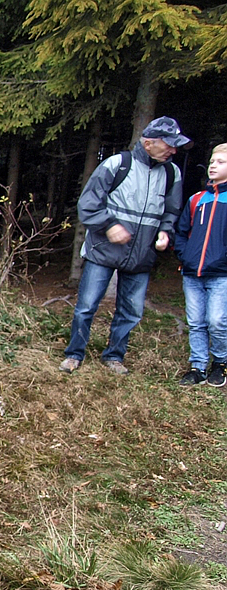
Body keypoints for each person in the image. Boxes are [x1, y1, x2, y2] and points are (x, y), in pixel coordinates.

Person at [60, 116, 189, 375]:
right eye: (169, 145)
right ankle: (74, 354)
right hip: (103, 251)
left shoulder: (172, 173)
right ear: (149, 143)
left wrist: (165, 232)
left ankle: (114, 357)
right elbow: (88, 204)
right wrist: (109, 226)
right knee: (86, 307)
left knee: (131, 312)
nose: (173, 151)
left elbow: (172, 210)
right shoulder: (117, 164)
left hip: (141, 255)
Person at [175, 143, 227, 387]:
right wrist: (185, 256)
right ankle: (198, 367)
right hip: (192, 273)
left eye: (221, 162)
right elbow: (181, 232)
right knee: (196, 322)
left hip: (221, 274)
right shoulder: (196, 199)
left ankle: (220, 363)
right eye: (212, 161)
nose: (213, 166)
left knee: (217, 321)